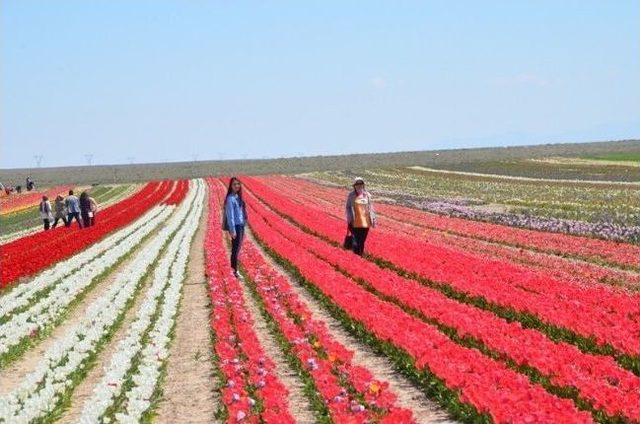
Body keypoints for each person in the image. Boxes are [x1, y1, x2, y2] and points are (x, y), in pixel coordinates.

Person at [345, 177, 376, 256]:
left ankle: (360, 256)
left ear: (363, 185)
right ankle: (356, 257)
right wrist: (349, 217)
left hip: (365, 222)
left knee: (362, 241)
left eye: (360, 184)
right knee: (356, 241)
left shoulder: (367, 195)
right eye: (357, 184)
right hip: (354, 222)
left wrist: (373, 219)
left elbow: (371, 207)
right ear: (354, 186)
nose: (359, 186)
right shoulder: (351, 195)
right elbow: (348, 207)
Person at [223, 177, 247, 277]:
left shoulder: (238, 196)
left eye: (238, 184)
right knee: (235, 250)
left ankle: (234, 270)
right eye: (234, 184)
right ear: (231, 186)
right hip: (236, 227)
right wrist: (232, 230)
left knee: (237, 249)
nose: (237, 186)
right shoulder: (230, 199)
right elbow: (230, 216)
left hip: (240, 225)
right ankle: (234, 271)